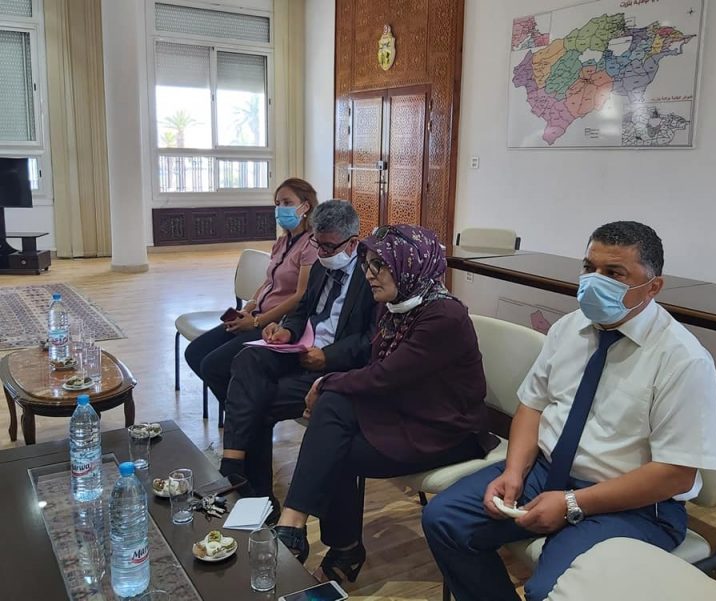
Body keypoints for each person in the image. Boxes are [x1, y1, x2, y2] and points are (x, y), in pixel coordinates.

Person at [422, 221, 716, 601]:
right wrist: (514, 471)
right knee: (445, 519)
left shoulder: (682, 360)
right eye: (589, 267)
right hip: (549, 473)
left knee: (551, 590)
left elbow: (675, 475)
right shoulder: (570, 327)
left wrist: (572, 504)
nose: (594, 281)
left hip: (636, 505)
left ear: (653, 287)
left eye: (614, 273)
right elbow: (532, 404)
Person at [271, 224, 499, 584]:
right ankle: (297, 526)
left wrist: (325, 381)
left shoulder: (443, 316)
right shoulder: (397, 306)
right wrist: (330, 387)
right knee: (333, 413)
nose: (369, 274)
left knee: (334, 442)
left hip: (448, 429)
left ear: (410, 263)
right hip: (408, 409)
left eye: (381, 265)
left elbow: (383, 376)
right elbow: (378, 371)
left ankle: (334, 545)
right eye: (367, 264)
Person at [220, 200, 377, 514]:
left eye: (330, 247)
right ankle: (233, 460)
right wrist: (287, 331)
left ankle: (256, 497)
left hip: (334, 365)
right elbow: (302, 310)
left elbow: (371, 339)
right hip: (300, 348)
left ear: (353, 243)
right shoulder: (321, 263)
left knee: (260, 404)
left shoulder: (371, 276)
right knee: (247, 358)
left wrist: (328, 356)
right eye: (318, 244)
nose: (322, 253)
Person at [184, 178, 319, 407]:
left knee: (212, 366)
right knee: (195, 353)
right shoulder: (282, 242)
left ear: (305, 206)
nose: (281, 209)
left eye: (287, 202)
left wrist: (257, 322)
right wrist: (248, 308)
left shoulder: (311, 245)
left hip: (276, 325)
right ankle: (240, 409)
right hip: (256, 316)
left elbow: (300, 296)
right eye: (278, 203)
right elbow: (269, 281)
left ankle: (244, 413)